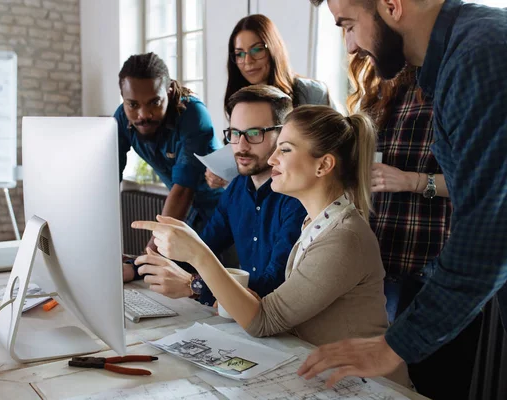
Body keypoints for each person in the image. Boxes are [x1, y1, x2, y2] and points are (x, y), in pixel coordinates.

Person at [300, 0, 507, 387]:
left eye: (348, 25)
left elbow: (488, 235)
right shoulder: (462, 54)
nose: (350, 46)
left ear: (392, 5)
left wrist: (391, 347)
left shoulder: (485, 55)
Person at [132, 105, 410, 387]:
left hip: (374, 388)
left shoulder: (343, 238)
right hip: (329, 378)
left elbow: (262, 320)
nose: (273, 159)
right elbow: (269, 307)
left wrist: (199, 256)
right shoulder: (317, 222)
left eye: (285, 150)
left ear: (323, 165)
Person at [352, 56, 481, 399]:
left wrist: (412, 180)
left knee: (430, 384)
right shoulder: (379, 88)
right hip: (380, 260)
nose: (352, 44)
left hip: (431, 264)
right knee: (382, 387)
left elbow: (480, 179)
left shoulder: (451, 83)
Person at [123, 85, 306, 306]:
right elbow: (202, 245)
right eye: (235, 133)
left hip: (284, 326)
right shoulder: (238, 189)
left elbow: (273, 284)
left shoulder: (297, 198)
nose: (241, 146)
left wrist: (193, 286)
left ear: (283, 134)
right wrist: (137, 267)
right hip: (245, 321)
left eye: (255, 133)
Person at [205, 14, 339, 189]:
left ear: (273, 49)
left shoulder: (311, 93)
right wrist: (222, 173)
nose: (248, 61)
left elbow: (336, 148)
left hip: (304, 194)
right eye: (239, 54)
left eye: (256, 50)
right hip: (259, 199)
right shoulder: (240, 100)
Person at [115, 53, 223, 253]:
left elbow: (182, 191)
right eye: (133, 105)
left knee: (214, 278)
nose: (144, 115)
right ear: (123, 100)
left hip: (222, 210)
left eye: (154, 102)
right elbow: (109, 177)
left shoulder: (193, 115)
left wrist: (149, 253)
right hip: (184, 210)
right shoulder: (121, 118)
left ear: (170, 92)